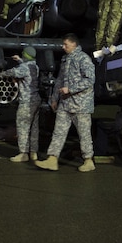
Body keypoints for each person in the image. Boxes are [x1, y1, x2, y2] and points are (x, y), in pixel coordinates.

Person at [36, 34, 96, 172]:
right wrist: (54, 98)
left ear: (74, 44)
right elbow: (59, 80)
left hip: (81, 105)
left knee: (84, 134)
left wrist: (71, 89)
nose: (63, 47)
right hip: (65, 103)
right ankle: (52, 159)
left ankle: (88, 160)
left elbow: (90, 79)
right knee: (58, 132)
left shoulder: (83, 59)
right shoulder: (65, 60)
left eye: (66, 45)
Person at [2, 46, 42, 162]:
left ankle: (23, 153)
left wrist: (2, 73)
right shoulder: (35, 66)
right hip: (36, 100)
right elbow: (25, 67)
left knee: (23, 127)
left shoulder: (23, 68)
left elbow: (12, 72)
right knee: (34, 128)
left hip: (26, 102)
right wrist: (19, 60)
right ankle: (34, 153)